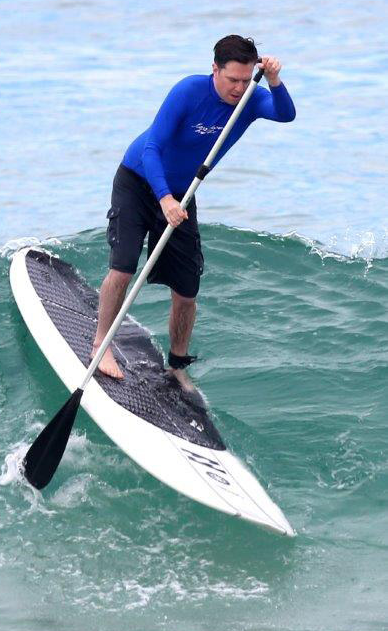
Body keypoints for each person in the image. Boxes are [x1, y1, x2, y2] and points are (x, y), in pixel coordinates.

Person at [91, 35, 296, 389]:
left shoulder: (251, 98)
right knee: (123, 268)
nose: (239, 88)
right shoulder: (188, 92)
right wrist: (164, 198)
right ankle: (100, 345)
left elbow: (286, 114)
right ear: (214, 69)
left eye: (246, 80)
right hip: (139, 181)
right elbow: (152, 148)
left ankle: (177, 365)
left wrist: (274, 82)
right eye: (232, 79)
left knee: (187, 290)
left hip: (184, 193)